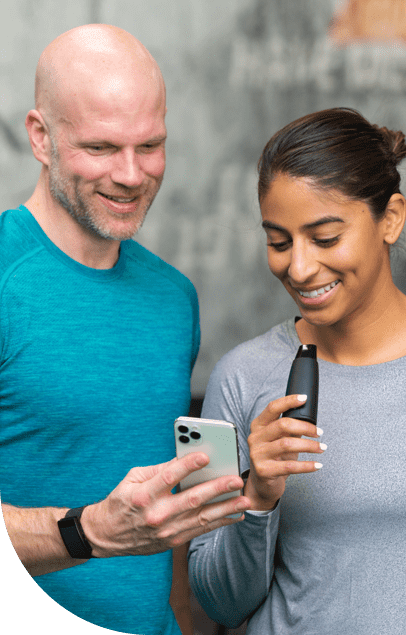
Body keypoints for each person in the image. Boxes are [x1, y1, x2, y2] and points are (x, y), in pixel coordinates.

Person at [187, 107, 406, 634]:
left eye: (326, 238)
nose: (300, 267)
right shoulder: (237, 378)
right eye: (279, 242)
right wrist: (258, 496)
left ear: (392, 218)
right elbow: (216, 601)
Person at [0, 24, 251, 635]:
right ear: (40, 137)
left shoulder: (173, 298)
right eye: (102, 148)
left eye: (151, 145)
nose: (134, 175)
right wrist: (84, 532)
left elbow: (167, 524)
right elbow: (113, 527)